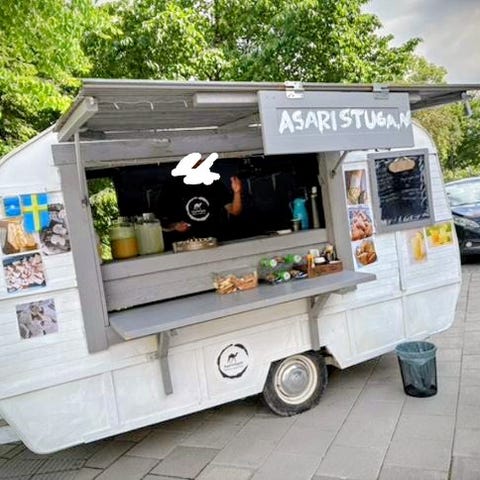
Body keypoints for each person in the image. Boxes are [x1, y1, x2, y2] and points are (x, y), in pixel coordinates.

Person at [156, 174, 243, 244]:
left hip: (214, 242)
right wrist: (175, 226)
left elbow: (234, 210)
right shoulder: (173, 185)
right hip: (185, 246)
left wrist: (237, 192)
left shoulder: (214, 183)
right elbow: (158, 222)